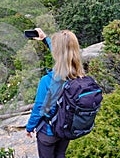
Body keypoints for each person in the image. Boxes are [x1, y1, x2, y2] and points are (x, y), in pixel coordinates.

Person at [26, 28, 85, 158]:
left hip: (49, 131)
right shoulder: (78, 76)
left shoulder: (48, 80)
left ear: (56, 53)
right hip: (67, 128)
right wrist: (45, 39)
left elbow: (39, 108)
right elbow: (66, 53)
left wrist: (29, 127)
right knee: (60, 154)